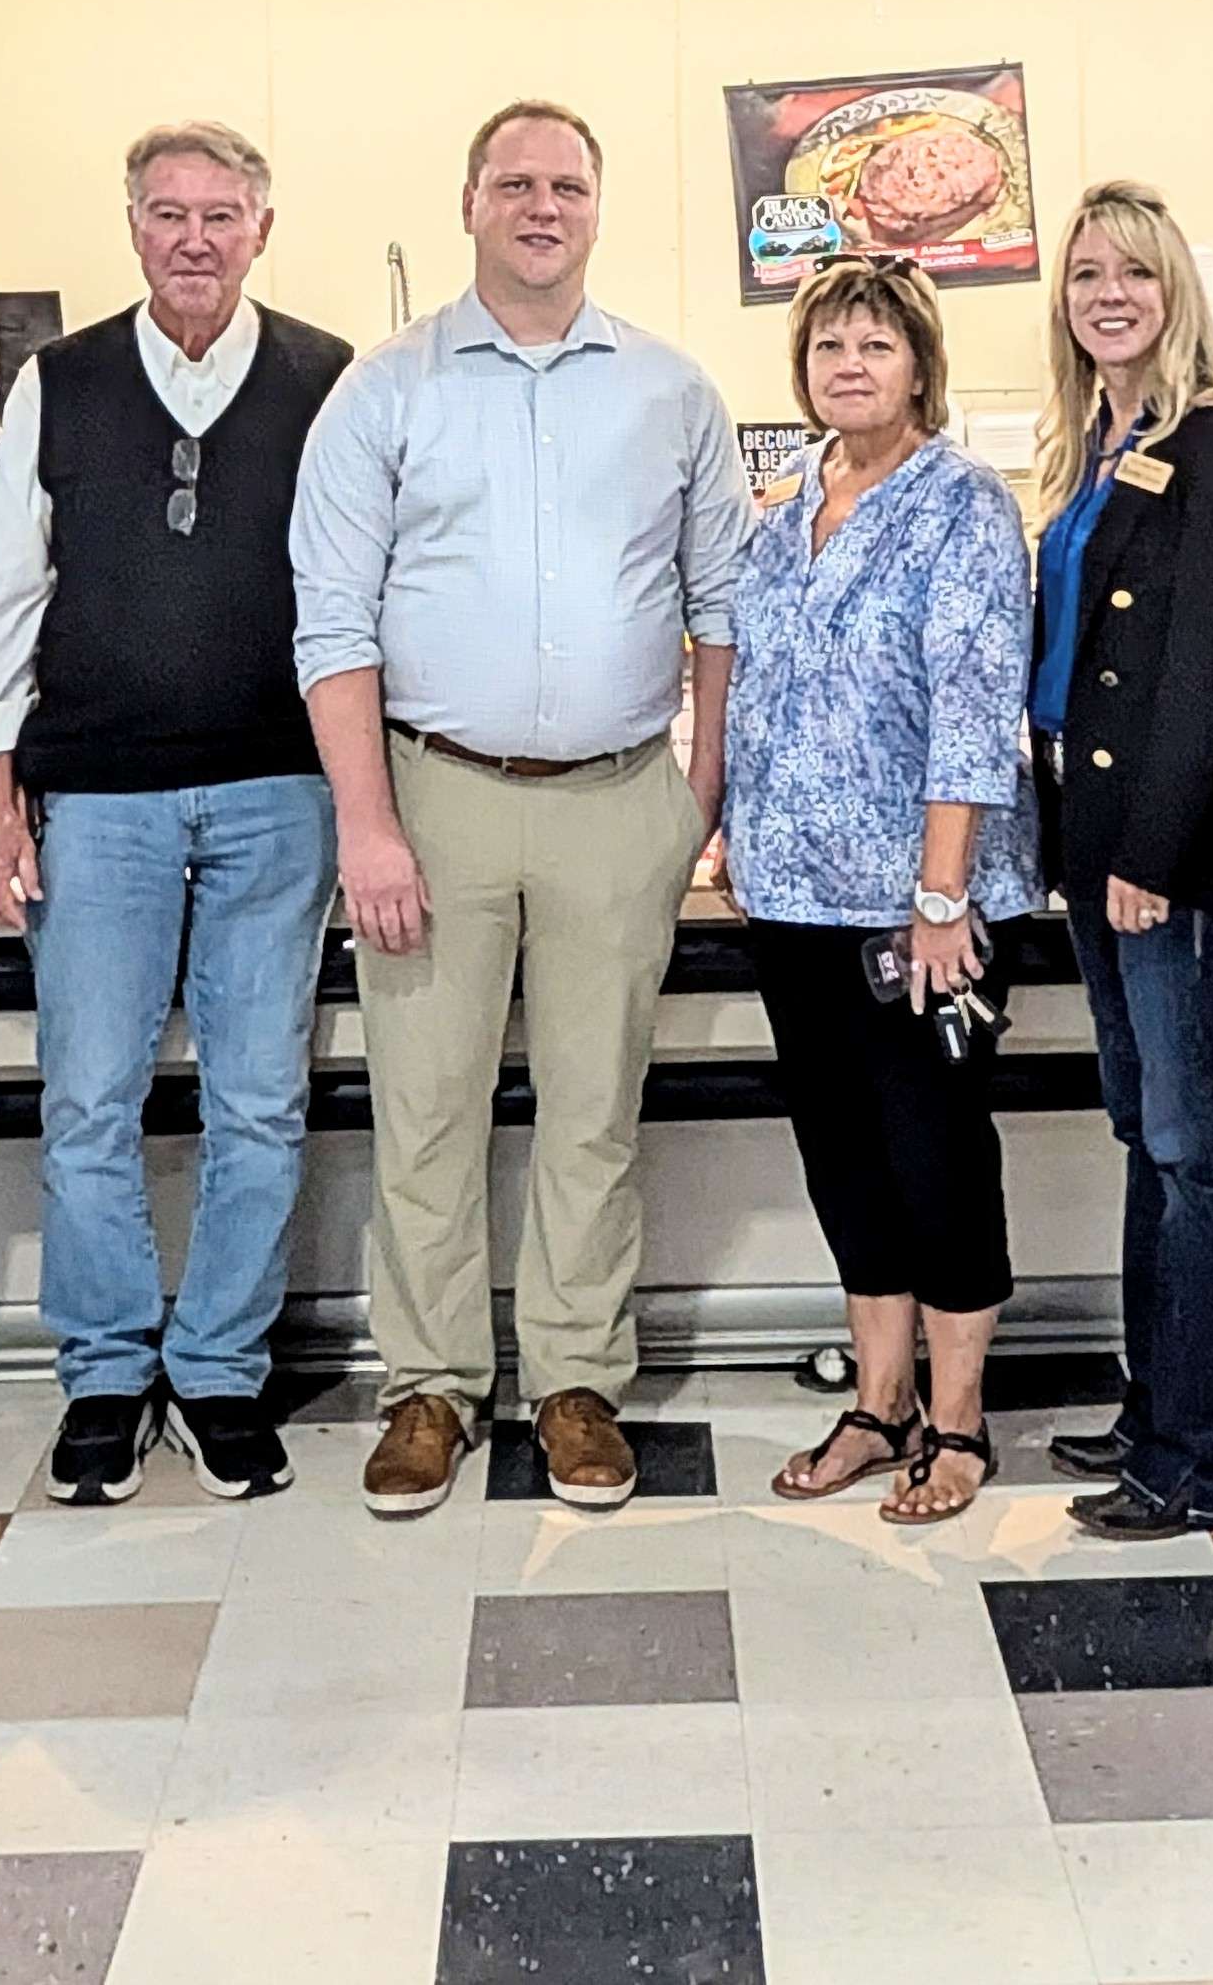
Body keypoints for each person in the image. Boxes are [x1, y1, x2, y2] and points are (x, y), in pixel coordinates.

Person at [293, 99, 752, 1522]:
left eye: (566, 183)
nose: (540, 205)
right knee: (424, 1107)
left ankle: (573, 1377)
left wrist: (698, 795)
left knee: (595, 1109)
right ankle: (429, 1383)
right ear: (471, 202)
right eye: (514, 183)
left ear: (596, 208)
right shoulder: (389, 391)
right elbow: (330, 622)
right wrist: (368, 825)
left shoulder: (670, 392)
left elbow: (723, 605)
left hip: (622, 799)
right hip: (434, 795)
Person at [0, 124, 353, 1508]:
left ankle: (223, 1367)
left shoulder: (325, 376)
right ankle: (109, 1369)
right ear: (131, 225)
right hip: (102, 799)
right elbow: (8, 594)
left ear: (263, 225)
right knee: (87, 1100)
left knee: (260, 1099)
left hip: (278, 793)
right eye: (169, 213)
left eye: (221, 214)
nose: (195, 237)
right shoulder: (56, 382)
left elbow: (363, 594)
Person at [722, 256, 1036, 1528]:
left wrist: (943, 895)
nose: (850, 366)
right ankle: (879, 1398)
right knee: (842, 1156)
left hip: (915, 903)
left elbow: (973, 705)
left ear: (920, 366)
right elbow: (750, 672)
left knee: (936, 1152)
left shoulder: (960, 503)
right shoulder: (787, 497)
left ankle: (959, 1422)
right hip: (791, 892)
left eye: (876, 347)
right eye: (830, 348)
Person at [1028, 183, 1213, 1547]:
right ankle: (1155, 1407)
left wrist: (1157, 852)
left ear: (1176, 286)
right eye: (1084, 274)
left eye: (1133, 270)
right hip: (1094, 839)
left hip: (1162, 854)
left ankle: (1212, 1449)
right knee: (1148, 1135)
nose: (1107, 292)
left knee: (1199, 1148)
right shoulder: (1095, 445)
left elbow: (1211, 667)